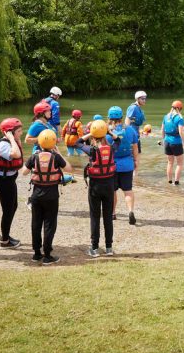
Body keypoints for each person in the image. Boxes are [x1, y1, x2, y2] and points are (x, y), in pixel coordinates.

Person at [21, 129, 72, 265]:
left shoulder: (35, 156)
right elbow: (69, 169)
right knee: (49, 224)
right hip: (51, 196)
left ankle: (37, 253)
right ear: (53, 142)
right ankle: (48, 255)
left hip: (37, 195)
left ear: (40, 142)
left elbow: (24, 172)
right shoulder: (56, 157)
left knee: (36, 224)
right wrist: (59, 153)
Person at [79, 119, 118, 257]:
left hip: (95, 187)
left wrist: (90, 133)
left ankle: (94, 248)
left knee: (95, 217)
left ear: (94, 136)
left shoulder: (92, 150)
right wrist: (109, 132)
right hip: (109, 186)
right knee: (108, 217)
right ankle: (109, 248)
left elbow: (77, 143)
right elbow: (118, 140)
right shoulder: (112, 148)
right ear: (105, 134)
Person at [0, 118, 24, 249]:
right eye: (19, 131)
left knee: (13, 207)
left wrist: (14, 138)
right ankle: (4, 241)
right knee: (8, 210)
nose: (21, 133)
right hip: (3, 182)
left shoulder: (13, 141)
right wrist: (11, 138)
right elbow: (16, 154)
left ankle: (6, 234)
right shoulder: (3, 144)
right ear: (9, 132)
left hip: (10, 180)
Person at [107, 105, 140, 224]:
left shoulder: (106, 131)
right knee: (128, 190)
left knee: (112, 191)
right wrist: (136, 161)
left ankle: (112, 213)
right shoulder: (130, 129)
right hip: (127, 164)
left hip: (111, 165)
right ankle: (130, 211)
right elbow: (135, 147)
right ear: (121, 117)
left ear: (109, 117)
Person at [161, 100, 184, 185]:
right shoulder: (179, 118)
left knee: (170, 162)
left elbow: (162, 130)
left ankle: (169, 181)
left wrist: (164, 140)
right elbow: (180, 131)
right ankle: (176, 182)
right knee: (179, 163)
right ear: (179, 108)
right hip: (176, 142)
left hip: (167, 142)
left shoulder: (166, 117)